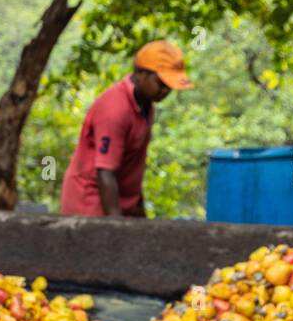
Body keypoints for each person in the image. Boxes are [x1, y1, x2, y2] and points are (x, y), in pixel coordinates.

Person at [60, 40, 193, 218]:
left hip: (122, 201)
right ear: (140, 73)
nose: (165, 91)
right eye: (161, 83)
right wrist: (117, 226)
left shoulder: (146, 106)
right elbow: (105, 172)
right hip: (92, 205)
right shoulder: (115, 110)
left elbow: (132, 164)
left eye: (169, 86)